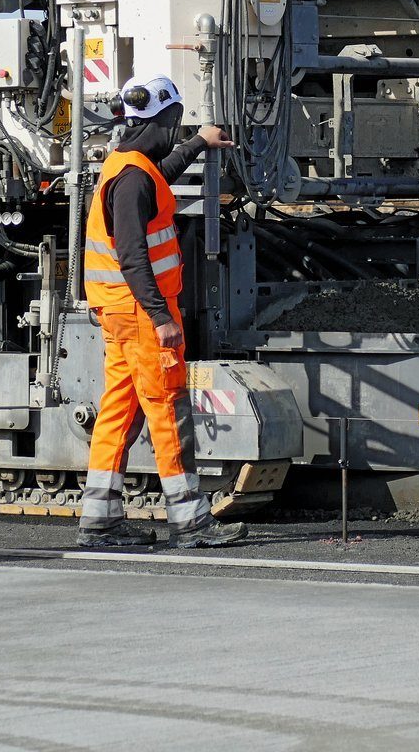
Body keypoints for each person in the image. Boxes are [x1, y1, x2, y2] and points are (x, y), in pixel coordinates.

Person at [77, 74, 246, 550]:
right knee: (168, 409)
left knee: (119, 410)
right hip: (140, 315)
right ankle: (190, 521)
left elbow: (160, 179)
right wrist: (162, 317)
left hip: (120, 313)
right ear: (166, 120)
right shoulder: (132, 180)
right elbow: (133, 256)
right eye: (177, 123)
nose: (177, 129)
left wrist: (199, 142)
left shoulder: (128, 166)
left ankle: (100, 520)